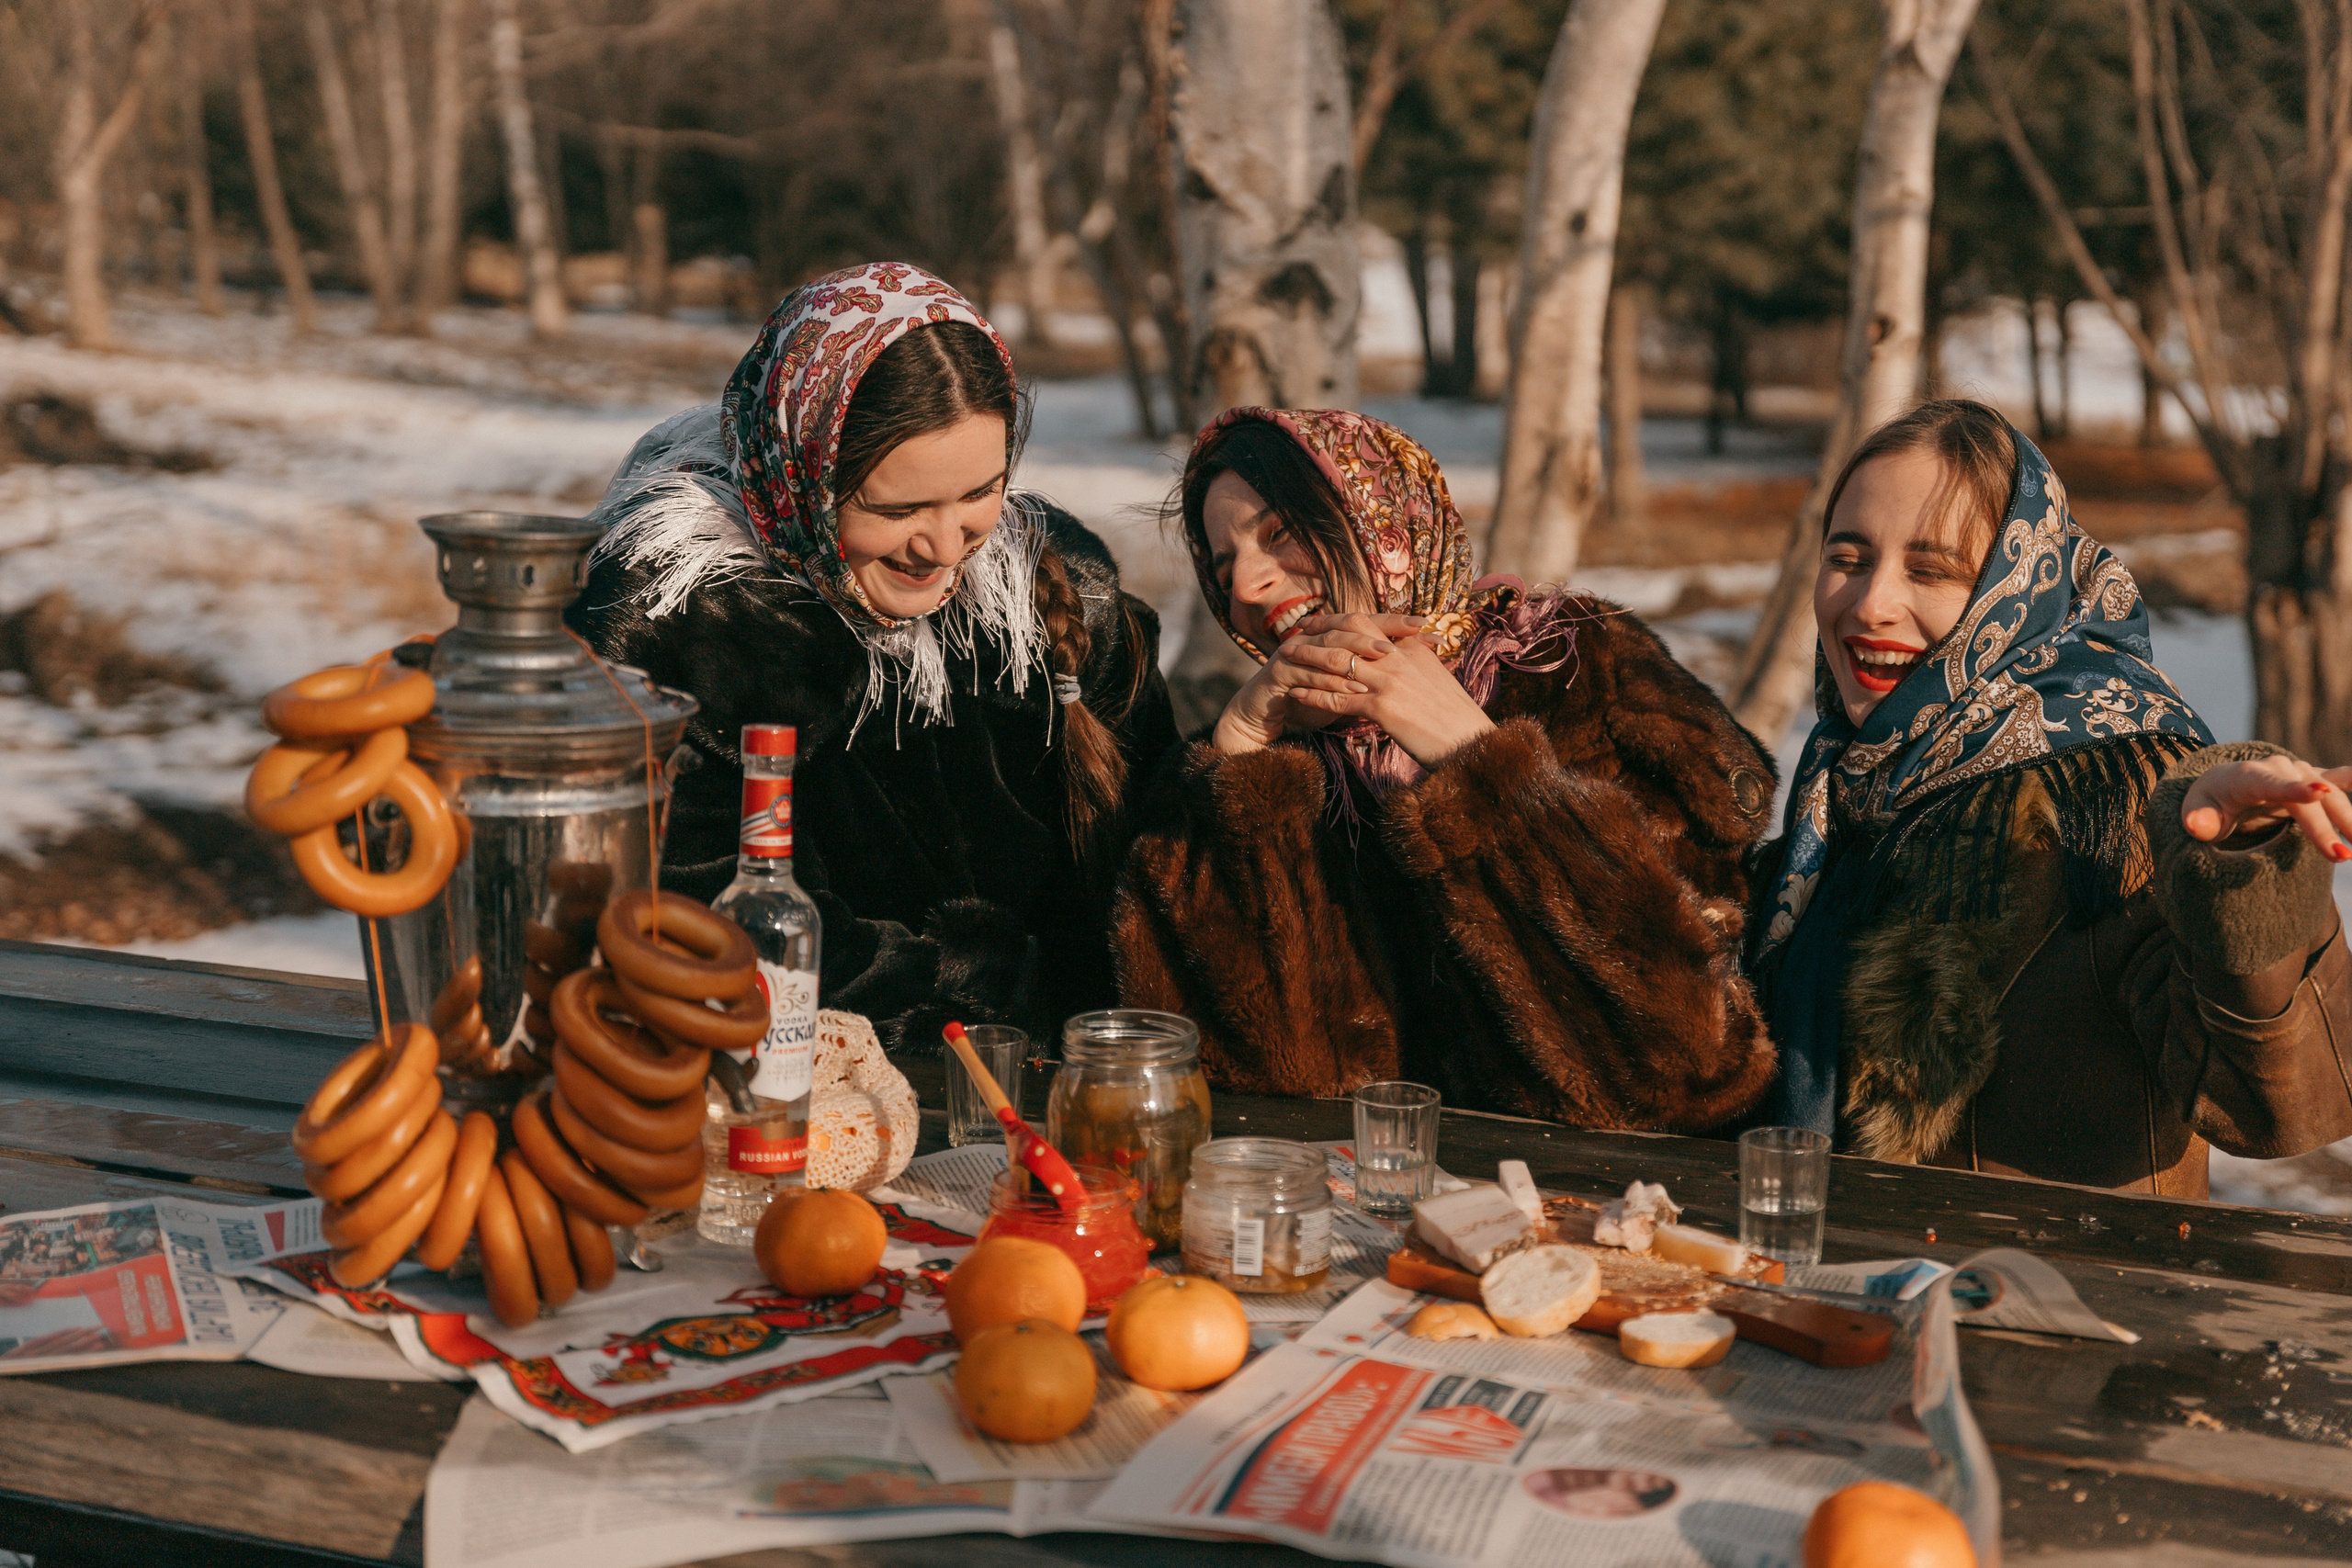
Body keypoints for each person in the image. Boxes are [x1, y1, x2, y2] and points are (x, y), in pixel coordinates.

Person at [1747, 398, 2352, 1195]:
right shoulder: (1845, 781)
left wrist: (2239, 869)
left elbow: (2277, 1108)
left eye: (1929, 569)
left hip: (2065, 1304)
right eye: (1849, 557)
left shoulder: (2115, 786)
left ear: (2019, 588)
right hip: (1842, 1304)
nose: (1869, 603)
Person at [571, 262, 1177, 1054]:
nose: (942, 545)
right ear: (803, 477)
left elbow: (1149, 866)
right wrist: (969, 1018)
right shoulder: (691, 624)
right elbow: (704, 921)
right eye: (896, 508)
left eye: (979, 494)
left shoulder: (1054, 594)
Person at [1114, 408, 1779, 1128]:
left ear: (1383, 522)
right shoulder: (1267, 762)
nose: (1247, 586)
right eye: (1223, 567)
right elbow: (1249, 1080)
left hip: (1600, 1217)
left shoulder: (1579, 675)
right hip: (1360, 1217)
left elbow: (1694, 1067)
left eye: (1280, 534)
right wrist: (1243, 760)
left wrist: (1482, 765)